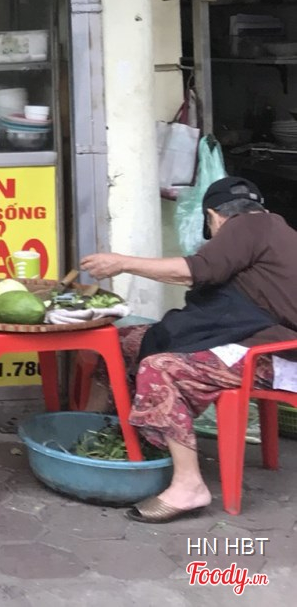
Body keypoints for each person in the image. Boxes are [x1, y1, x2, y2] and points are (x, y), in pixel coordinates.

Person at [80, 176, 297, 523]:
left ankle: (188, 485)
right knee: (120, 342)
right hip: (256, 344)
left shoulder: (250, 225)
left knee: (160, 368)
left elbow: (194, 272)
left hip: (271, 356)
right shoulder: (274, 231)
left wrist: (121, 262)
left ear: (213, 216)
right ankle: (96, 428)